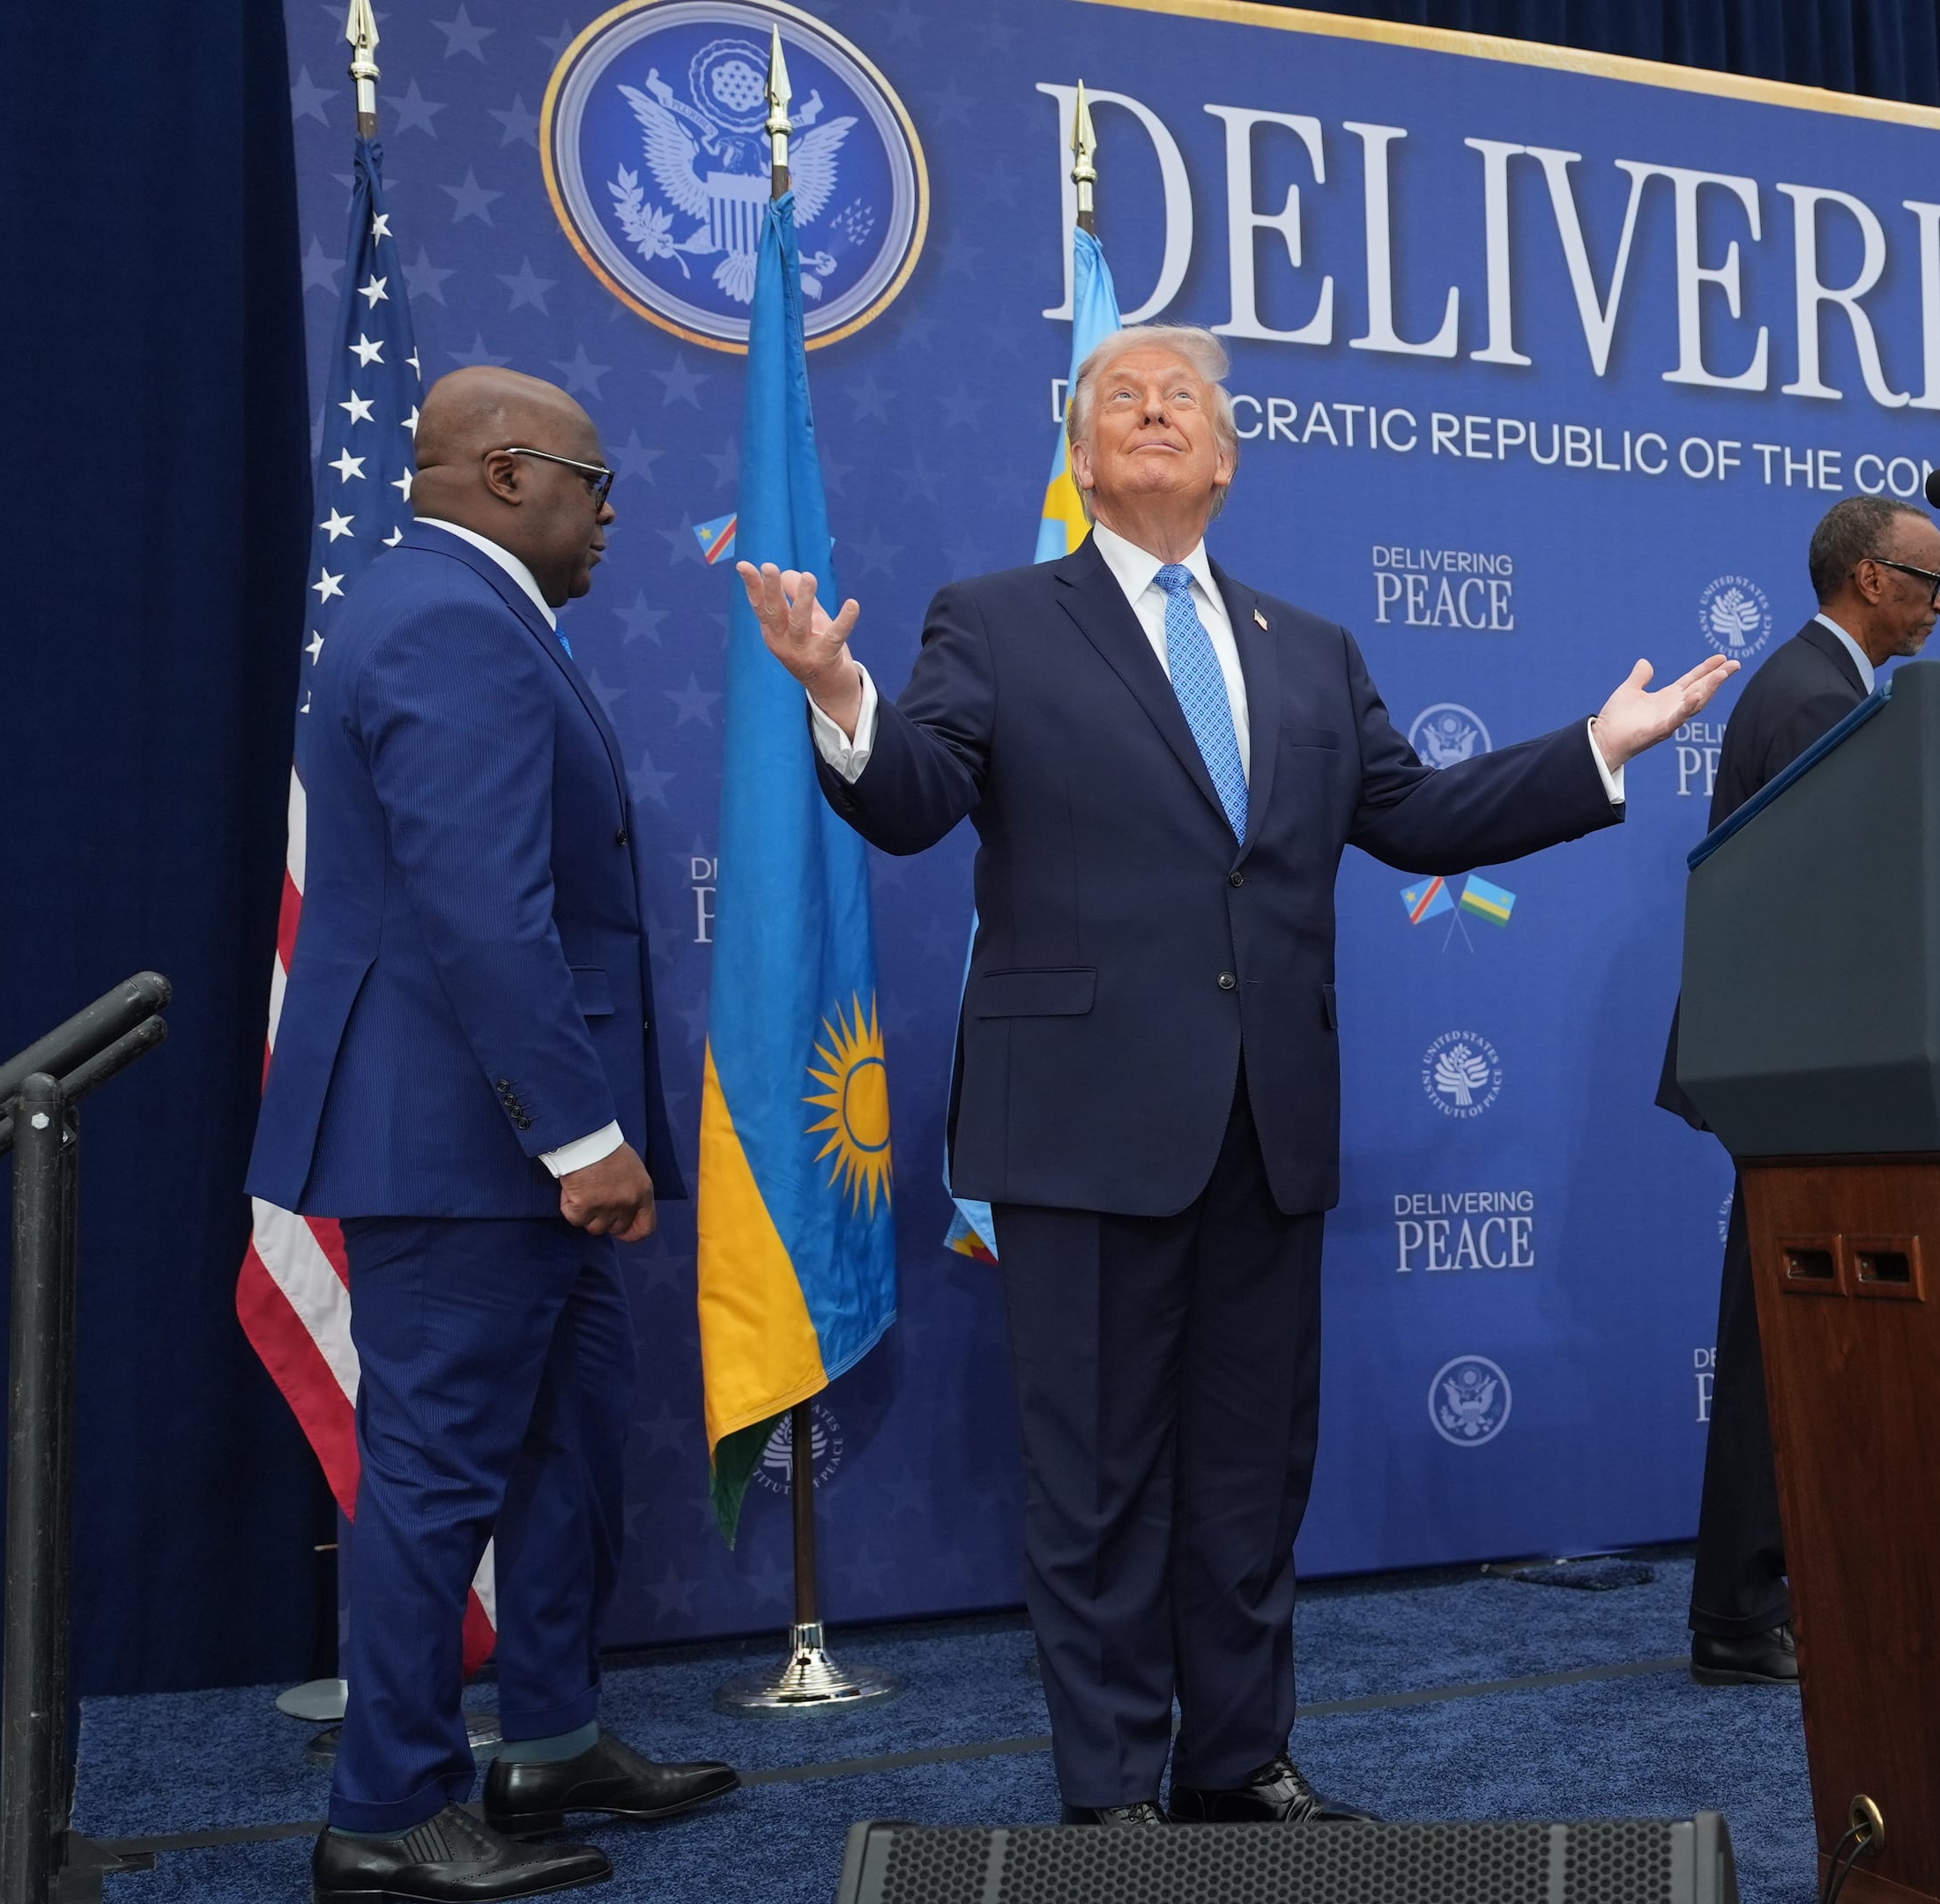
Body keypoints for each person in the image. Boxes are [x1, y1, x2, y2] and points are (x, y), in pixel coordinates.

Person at [739, 324, 1736, 1826]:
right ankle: (1111, 1797)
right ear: (1080, 456)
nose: (1150, 414)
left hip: (1267, 1126)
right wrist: (837, 692)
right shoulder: (997, 619)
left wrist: (1597, 747)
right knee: (1095, 1489)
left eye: (1180, 400)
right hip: (1079, 1128)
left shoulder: (1311, 649)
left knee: (1249, 1480)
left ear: (1226, 457)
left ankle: (1235, 1761)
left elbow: (1414, 819)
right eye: (1118, 400)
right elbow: (918, 795)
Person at [250, 367, 738, 1902]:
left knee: (564, 1449)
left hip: (499, 1147)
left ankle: (548, 1738)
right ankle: (388, 1815)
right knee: (439, 1478)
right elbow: (482, 911)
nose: (609, 521)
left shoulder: (470, 612)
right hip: (469, 1143)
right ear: (509, 474)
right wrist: (581, 1135)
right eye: (599, 488)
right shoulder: (452, 619)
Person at [1654, 495, 1940, 1686]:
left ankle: (1763, 1596)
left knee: (1789, 1340)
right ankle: (1740, 1610)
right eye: (1930, 580)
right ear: (1872, 580)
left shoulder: (1812, 686)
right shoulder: (1817, 698)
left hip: (1798, 1068)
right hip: (1802, 1074)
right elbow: (1837, 911)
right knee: (1779, 1346)